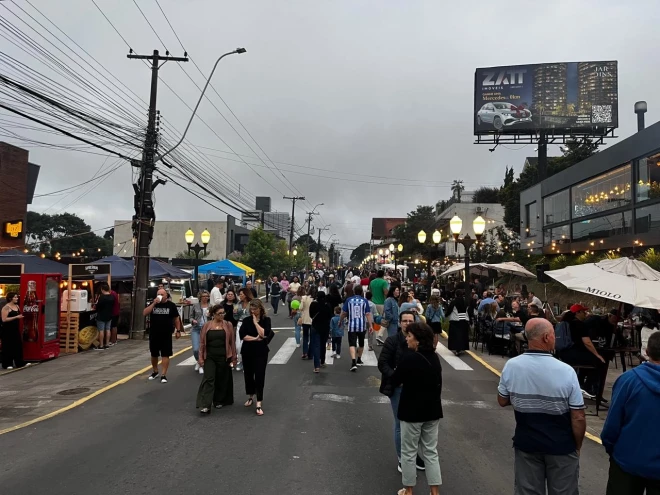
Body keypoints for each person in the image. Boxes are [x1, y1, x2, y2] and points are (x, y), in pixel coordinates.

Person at [497, 318, 585, 495]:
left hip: (526, 443)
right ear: (546, 337)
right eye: (553, 334)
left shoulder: (512, 366)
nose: (555, 338)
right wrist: (577, 446)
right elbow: (578, 417)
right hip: (561, 446)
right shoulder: (566, 371)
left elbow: (502, 400)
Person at [601, 332, 660, 494]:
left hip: (627, 460)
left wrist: (611, 448)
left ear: (646, 352)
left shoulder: (628, 380)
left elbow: (612, 424)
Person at [391, 322, 443, 495]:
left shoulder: (409, 358)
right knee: (431, 452)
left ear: (418, 340)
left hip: (411, 412)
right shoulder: (435, 358)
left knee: (408, 452)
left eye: (409, 336)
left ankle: (408, 490)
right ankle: (434, 491)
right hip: (432, 411)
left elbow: (395, 379)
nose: (407, 339)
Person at [378, 310, 426, 473]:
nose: (407, 323)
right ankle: (402, 458)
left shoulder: (419, 342)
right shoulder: (392, 341)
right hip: (397, 388)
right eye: (404, 321)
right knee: (400, 424)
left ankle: (413, 455)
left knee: (415, 425)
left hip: (416, 388)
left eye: (410, 321)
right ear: (399, 323)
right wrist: (396, 377)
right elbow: (382, 363)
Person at [196, 304, 237, 414]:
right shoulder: (207, 325)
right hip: (210, 356)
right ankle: (206, 405)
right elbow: (202, 343)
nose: (222, 315)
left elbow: (232, 342)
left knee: (221, 379)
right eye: (219, 314)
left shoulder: (228, 325)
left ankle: (218, 400)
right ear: (213, 314)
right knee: (209, 379)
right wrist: (200, 358)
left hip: (223, 356)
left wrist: (234, 358)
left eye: (223, 313)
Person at [560, 304, 607, 399]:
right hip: (574, 354)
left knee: (588, 361)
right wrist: (597, 354)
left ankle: (580, 383)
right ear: (578, 313)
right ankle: (588, 387)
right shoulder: (579, 324)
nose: (585, 313)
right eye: (583, 312)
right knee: (600, 362)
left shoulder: (564, 323)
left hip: (563, 353)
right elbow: (587, 342)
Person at [239, 298, 274, 416]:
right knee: (248, 375)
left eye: (255, 309)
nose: (253, 311)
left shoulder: (266, 320)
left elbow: (264, 334)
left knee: (259, 375)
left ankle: (259, 401)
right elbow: (243, 335)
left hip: (261, 352)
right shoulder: (246, 320)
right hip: (247, 351)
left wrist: (255, 323)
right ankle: (250, 396)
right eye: (251, 309)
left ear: (260, 309)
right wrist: (254, 338)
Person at [143, 289, 183, 383]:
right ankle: (155, 371)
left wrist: (178, 330)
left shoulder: (171, 305)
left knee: (165, 354)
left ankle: (163, 374)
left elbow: (176, 318)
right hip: (154, 333)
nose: (160, 296)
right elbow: (144, 313)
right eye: (158, 294)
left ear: (166, 296)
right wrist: (154, 303)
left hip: (166, 333)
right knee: (154, 354)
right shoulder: (153, 304)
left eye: (162, 294)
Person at [340, 285, 373, 372]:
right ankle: (359, 359)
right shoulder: (364, 301)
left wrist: (340, 321)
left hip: (351, 326)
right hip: (362, 326)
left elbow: (344, 313)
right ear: (361, 292)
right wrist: (370, 325)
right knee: (361, 343)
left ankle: (353, 361)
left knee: (352, 344)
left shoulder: (349, 300)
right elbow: (368, 314)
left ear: (354, 291)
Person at [309, 291, 334, 372]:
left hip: (315, 326)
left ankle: (316, 366)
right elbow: (330, 316)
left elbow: (311, 315)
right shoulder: (327, 305)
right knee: (323, 344)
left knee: (316, 345)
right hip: (325, 327)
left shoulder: (313, 304)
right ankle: (322, 361)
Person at [1, 292, 25, 370]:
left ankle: (19, 362)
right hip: (7, 330)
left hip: (15, 329)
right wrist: (16, 317)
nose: (17, 298)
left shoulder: (17, 306)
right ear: (10, 298)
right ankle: (7, 364)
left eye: (17, 297)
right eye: (15, 297)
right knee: (8, 346)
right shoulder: (6, 307)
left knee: (17, 345)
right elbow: (4, 319)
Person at [190, 290, 211, 374]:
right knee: (196, 349)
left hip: (207, 329)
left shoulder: (211, 306)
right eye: (204, 296)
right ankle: (199, 361)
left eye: (207, 296)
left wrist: (211, 316)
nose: (205, 298)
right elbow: (191, 317)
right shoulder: (195, 306)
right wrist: (193, 321)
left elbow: (215, 316)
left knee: (205, 348)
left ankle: (201, 364)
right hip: (196, 329)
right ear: (200, 297)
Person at [234, 288, 253, 372]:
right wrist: (235, 312)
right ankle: (240, 361)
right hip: (240, 324)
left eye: (241, 294)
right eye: (239, 294)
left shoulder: (252, 303)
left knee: (246, 345)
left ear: (246, 294)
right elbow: (235, 317)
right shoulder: (237, 304)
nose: (240, 296)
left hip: (249, 325)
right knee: (238, 346)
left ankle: (246, 363)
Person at [447, 289, 469, 356]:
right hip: (464, 320)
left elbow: (449, 310)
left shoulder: (454, 302)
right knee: (463, 334)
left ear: (456, 294)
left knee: (456, 335)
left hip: (455, 320)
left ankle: (457, 348)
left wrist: (446, 315)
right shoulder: (465, 301)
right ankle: (462, 347)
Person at [94, 283, 115, 350]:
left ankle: (101, 345)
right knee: (108, 329)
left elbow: (98, 306)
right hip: (109, 315)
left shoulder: (102, 297)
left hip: (101, 315)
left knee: (101, 330)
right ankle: (107, 344)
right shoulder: (112, 297)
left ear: (102, 289)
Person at [298, 287, 315, 359]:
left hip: (305, 319)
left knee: (305, 336)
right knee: (312, 337)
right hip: (313, 320)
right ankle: (310, 354)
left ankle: (305, 352)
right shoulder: (315, 299)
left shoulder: (304, 298)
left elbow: (300, 307)